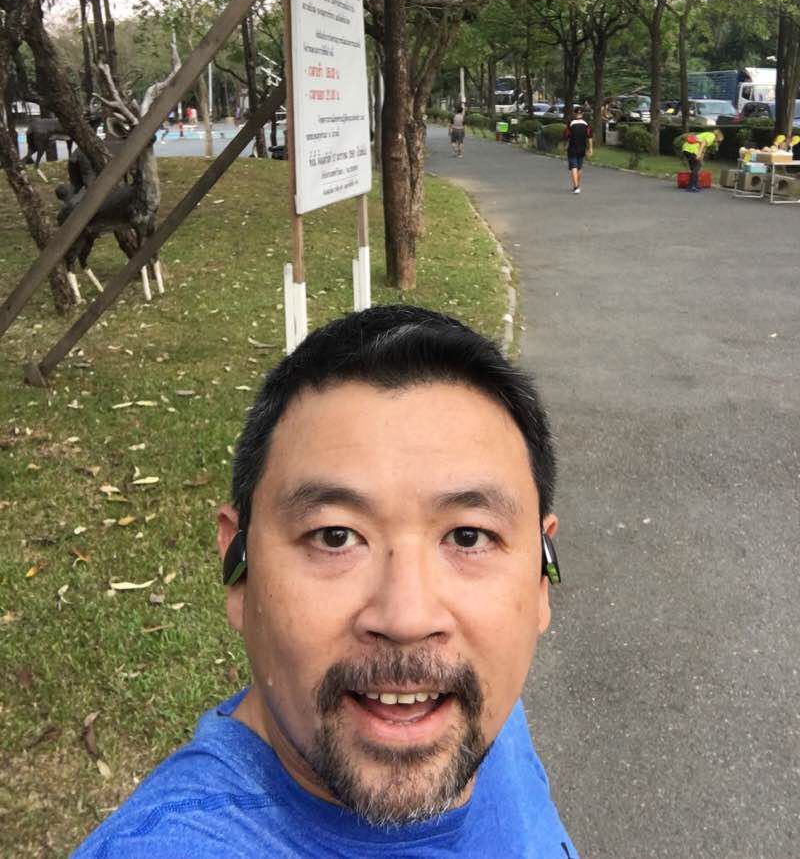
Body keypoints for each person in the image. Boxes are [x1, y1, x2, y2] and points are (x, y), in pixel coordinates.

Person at [72, 305, 577, 858]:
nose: (408, 618)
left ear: (539, 578)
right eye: (335, 536)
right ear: (239, 572)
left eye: (468, 536)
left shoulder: (478, 706)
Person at [564, 106, 593, 193]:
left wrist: (566, 145)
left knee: (573, 167)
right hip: (582, 148)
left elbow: (567, 136)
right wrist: (590, 148)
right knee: (579, 168)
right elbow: (590, 137)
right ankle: (577, 185)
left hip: (572, 148)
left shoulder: (570, 123)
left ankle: (576, 187)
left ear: (574, 113)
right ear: (582, 113)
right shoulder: (586, 124)